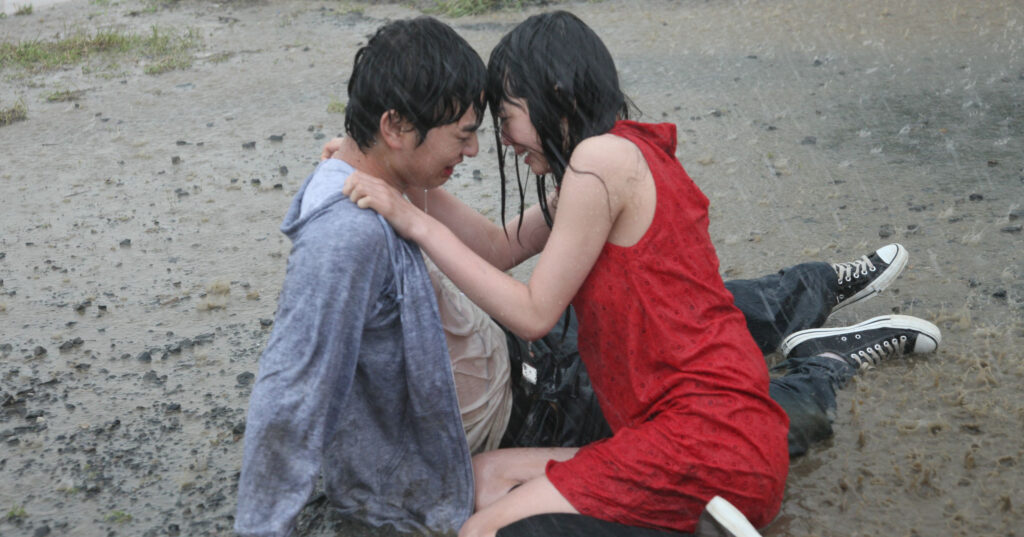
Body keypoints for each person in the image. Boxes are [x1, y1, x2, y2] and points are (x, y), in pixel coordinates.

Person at [340, 11, 941, 537]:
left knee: (481, 529)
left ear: (556, 92)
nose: (501, 138)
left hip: (702, 440)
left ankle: (726, 492)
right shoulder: (618, 157)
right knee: (481, 480)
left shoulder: (600, 165)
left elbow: (531, 313)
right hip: (679, 430)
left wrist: (412, 222)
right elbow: (497, 247)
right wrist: (389, 169)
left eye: (507, 116)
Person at [233, 17, 487, 537]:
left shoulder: (382, 178)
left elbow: (498, 247)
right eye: (463, 134)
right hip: (444, 463)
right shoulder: (349, 232)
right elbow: (290, 394)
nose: (474, 150)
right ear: (394, 128)